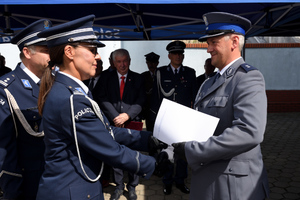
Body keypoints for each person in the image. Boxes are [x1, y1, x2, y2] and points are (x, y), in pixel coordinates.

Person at [35, 15, 167, 200]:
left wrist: (148, 139)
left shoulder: (74, 91)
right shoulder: (70, 99)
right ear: (69, 52)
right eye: (92, 49)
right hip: (72, 191)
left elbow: (105, 131)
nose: (97, 56)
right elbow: (108, 148)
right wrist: (151, 164)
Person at [172, 12, 270, 200]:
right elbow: (195, 125)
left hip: (232, 187)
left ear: (234, 42)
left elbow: (249, 131)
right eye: (208, 43)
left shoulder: (248, 78)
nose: (208, 49)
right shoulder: (208, 82)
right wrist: (171, 151)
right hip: (206, 181)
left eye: (213, 43)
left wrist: (192, 151)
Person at [0, 19, 52, 200]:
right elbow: (3, 151)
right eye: (46, 50)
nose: (51, 55)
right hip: (28, 184)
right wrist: (12, 191)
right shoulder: (6, 88)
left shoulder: (55, 83)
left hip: (56, 181)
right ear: (27, 52)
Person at [94, 48, 145, 200]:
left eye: (125, 61)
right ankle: (119, 186)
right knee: (117, 156)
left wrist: (127, 115)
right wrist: (116, 117)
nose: (122, 65)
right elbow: (101, 98)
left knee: (134, 156)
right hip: (114, 124)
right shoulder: (105, 78)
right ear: (114, 63)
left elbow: (141, 100)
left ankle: (132, 187)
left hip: (132, 123)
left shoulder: (138, 78)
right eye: (119, 62)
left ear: (129, 61)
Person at [150, 41, 197, 195]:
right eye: (175, 53)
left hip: (183, 120)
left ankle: (180, 181)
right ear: (169, 55)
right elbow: (156, 98)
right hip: (167, 121)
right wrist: (157, 121)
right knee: (167, 152)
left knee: (182, 153)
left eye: (180, 53)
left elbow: (194, 98)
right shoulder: (160, 72)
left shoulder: (190, 73)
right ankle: (167, 181)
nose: (178, 56)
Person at [141, 52, 160, 131]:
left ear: (157, 63)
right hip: (148, 110)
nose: (151, 65)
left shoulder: (161, 74)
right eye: (149, 63)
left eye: (153, 63)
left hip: (159, 108)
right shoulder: (143, 76)